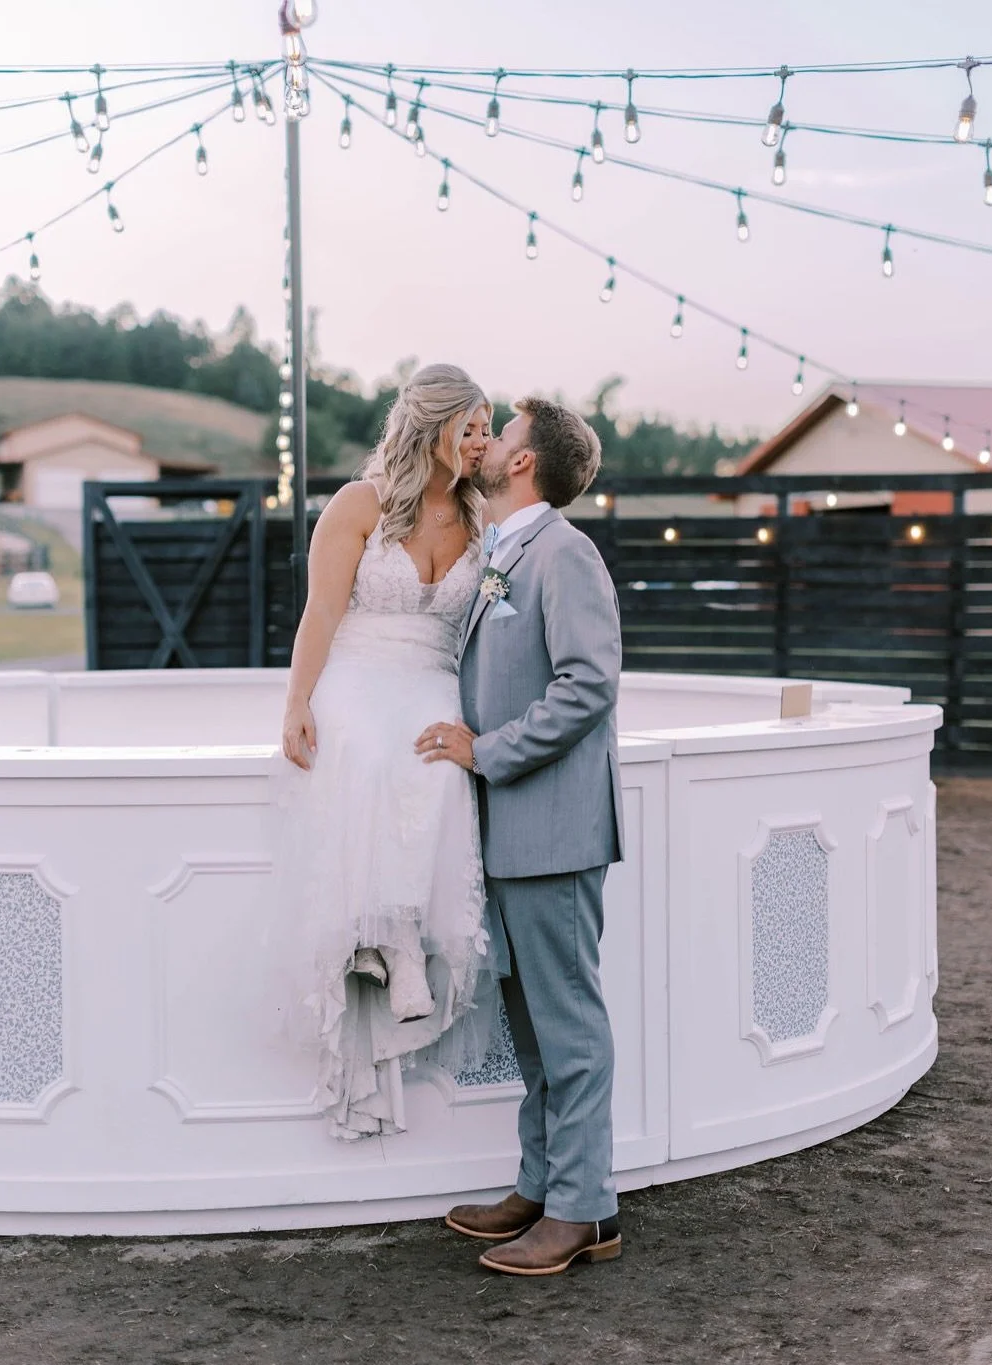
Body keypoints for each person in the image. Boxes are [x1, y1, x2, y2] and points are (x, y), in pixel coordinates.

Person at [415, 397, 625, 1277]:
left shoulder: (566, 554)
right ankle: (543, 1185)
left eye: (503, 435)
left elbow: (588, 685)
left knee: (567, 1025)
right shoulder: (504, 550)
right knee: (531, 1027)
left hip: (553, 829)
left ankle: (583, 1209)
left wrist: (484, 751)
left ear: (526, 462)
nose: (488, 444)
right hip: (506, 832)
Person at [269, 363, 494, 1141]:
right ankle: (382, 941)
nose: (480, 441)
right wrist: (298, 699)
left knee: (435, 761)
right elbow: (322, 610)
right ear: (430, 427)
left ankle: (406, 938)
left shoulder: (482, 517)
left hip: (433, 676)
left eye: (487, 427)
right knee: (365, 744)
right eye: (469, 426)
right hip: (360, 670)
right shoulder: (359, 505)